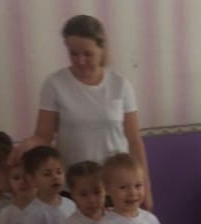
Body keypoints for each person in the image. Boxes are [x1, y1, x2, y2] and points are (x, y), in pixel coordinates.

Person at [22, 14, 152, 209]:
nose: (80, 60)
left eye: (87, 54)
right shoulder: (55, 84)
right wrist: (27, 146)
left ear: (101, 49)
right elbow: (43, 136)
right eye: (74, 54)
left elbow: (134, 141)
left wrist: (146, 188)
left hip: (115, 188)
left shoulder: (120, 85)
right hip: (74, 188)